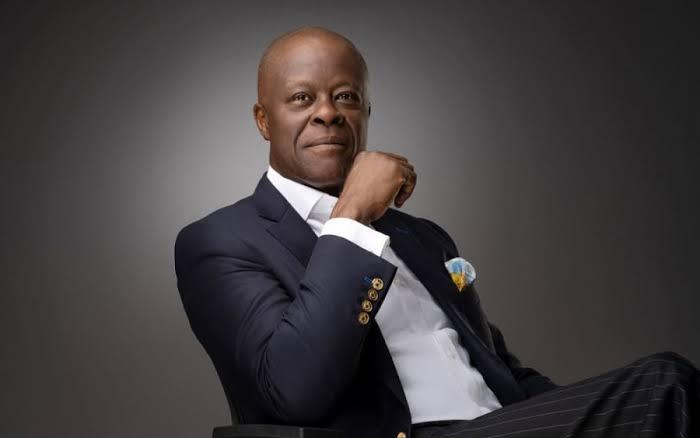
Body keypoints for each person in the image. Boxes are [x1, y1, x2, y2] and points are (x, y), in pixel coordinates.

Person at [174, 26, 698, 438]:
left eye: (346, 96)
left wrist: (593, 415)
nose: (328, 113)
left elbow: (501, 371)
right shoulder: (219, 242)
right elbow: (294, 389)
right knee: (664, 383)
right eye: (302, 99)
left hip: (502, 425)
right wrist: (351, 215)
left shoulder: (424, 238)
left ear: (366, 112)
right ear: (263, 120)